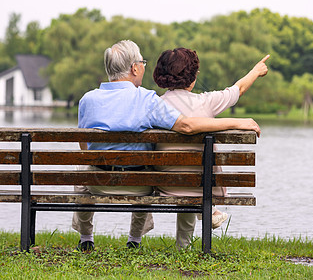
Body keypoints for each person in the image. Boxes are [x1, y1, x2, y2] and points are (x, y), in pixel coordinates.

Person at [73, 40, 262, 251]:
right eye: (142, 62)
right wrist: (237, 122)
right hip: (140, 186)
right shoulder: (146, 99)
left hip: (97, 182)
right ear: (134, 68)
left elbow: (84, 145)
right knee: (149, 168)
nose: (144, 66)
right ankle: (135, 240)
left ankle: (86, 237)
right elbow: (187, 125)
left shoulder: (87, 100)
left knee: (83, 167)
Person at [153, 47, 269, 249]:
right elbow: (238, 89)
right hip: (204, 188)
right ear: (192, 77)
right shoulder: (207, 102)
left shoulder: (154, 105)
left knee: (179, 170)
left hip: (166, 187)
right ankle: (188, 240)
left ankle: (182, 245)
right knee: (195, 173)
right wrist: (256, 71)